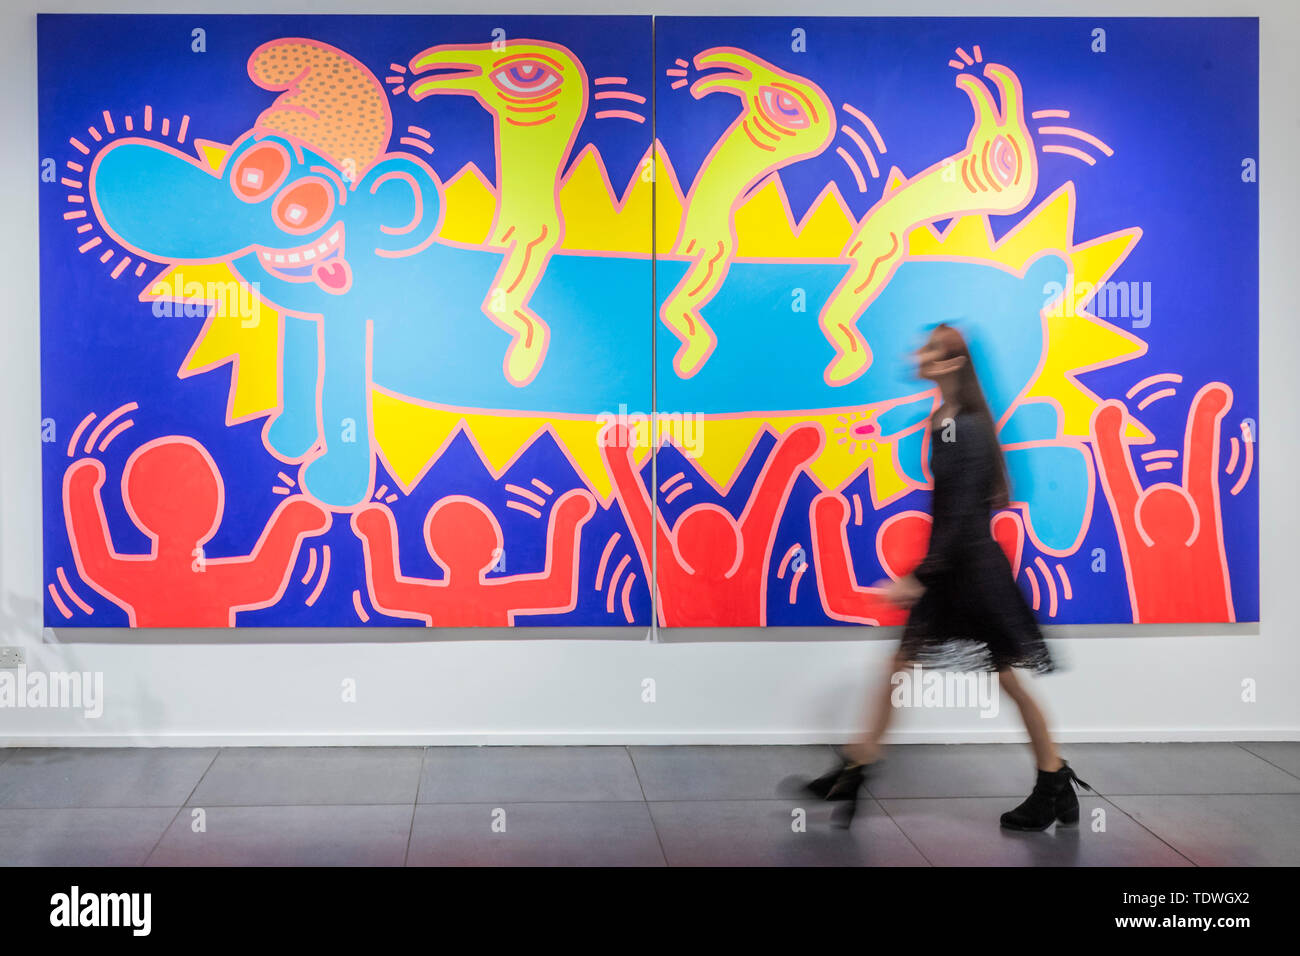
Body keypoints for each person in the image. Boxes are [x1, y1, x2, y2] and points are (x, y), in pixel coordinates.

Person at [803, 322, 1090, 829]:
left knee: (1005, 678)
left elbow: (958, 514)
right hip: (957, 569)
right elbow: (950, 508)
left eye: (932, 349)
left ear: (952, 362)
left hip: (972, 573)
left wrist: (921, 575)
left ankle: (1054, 781)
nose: (920, 354)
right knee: (901, 665)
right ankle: (858, 764)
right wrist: (929, 573)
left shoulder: (966, 426)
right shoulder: (946, 419)